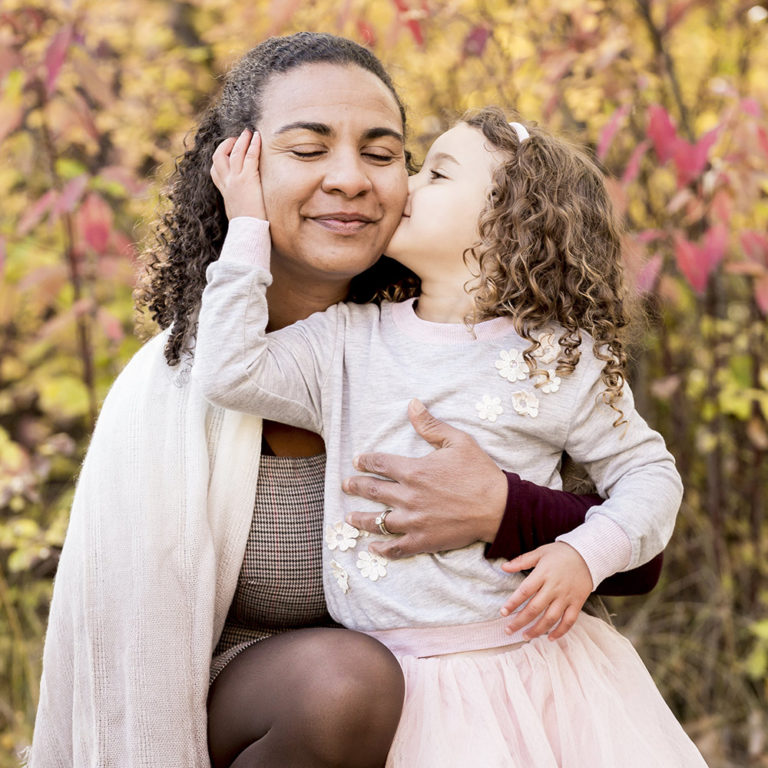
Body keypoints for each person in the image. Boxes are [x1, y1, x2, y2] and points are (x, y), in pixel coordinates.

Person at [27, 33, 662, 768]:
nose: (350, 179)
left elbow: (640, 556)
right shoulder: (173, 386)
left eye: (384, 153)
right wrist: (248, 238)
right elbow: (124, 645)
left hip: (458, 689)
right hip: (250, 703)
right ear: (241, 170)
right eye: (307, 149)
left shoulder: (474, 346)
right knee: (344, 684)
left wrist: (499, 509)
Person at [192, 104, 707, 766]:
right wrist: (247, 229)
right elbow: (229, 373)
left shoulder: (561, 357)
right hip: (392, 679)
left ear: (507, 224)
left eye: (437, 173)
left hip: (530, 671)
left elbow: (649, 476)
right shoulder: (348, 341)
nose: (406, 184)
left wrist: (586, 554)